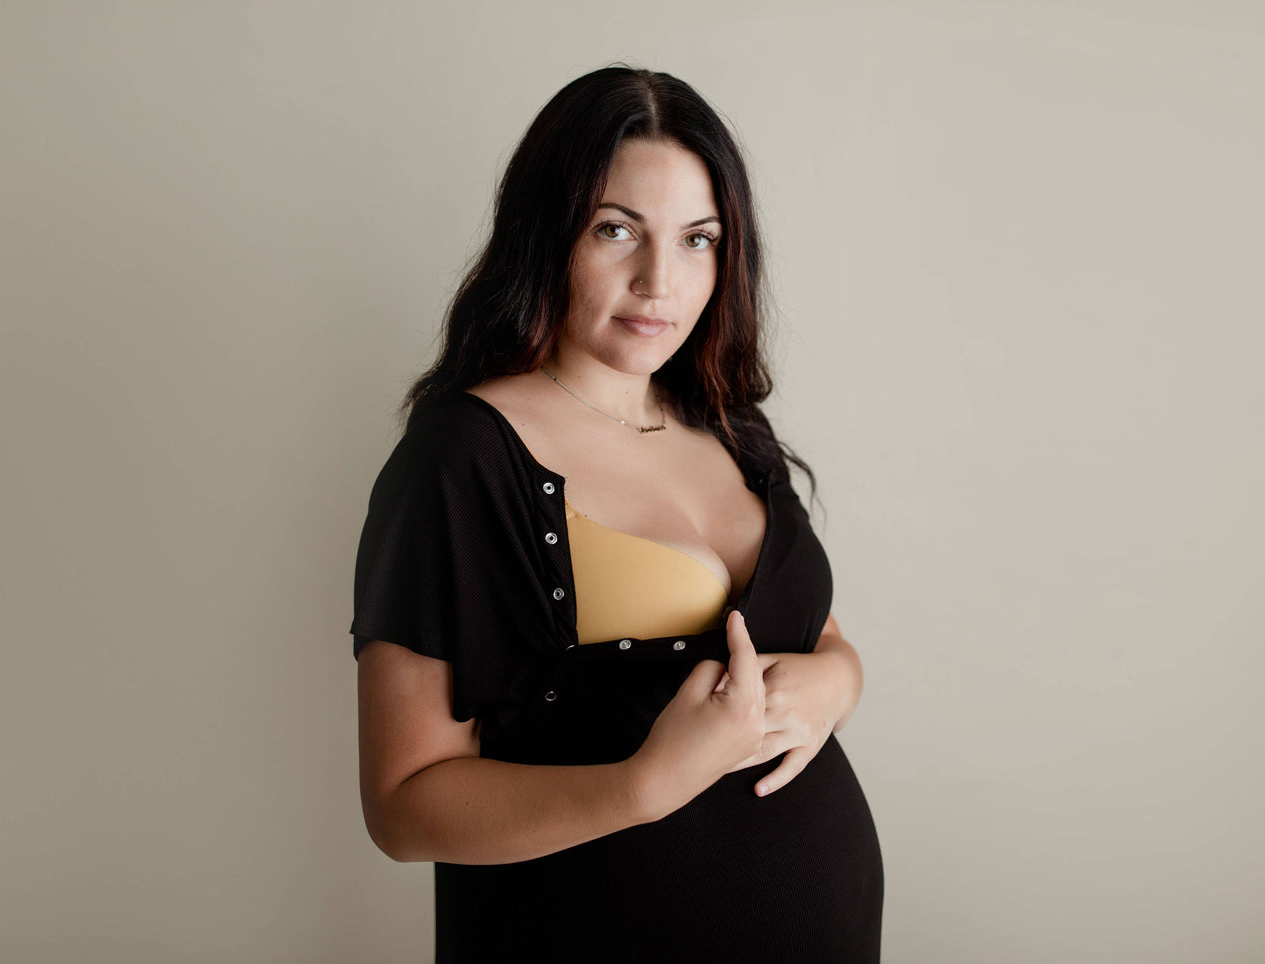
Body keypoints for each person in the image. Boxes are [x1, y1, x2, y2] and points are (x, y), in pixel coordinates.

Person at [352, 65, 883, 962]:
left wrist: (839, 683)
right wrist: (642, 786)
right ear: (546, 233)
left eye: (697, 240)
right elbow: (403, 806)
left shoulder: (729, 426)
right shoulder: (465, 456)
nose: (657, 281)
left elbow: (819, 638)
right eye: (616, 230)